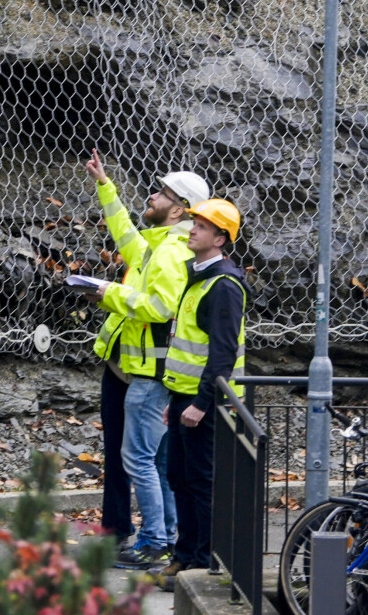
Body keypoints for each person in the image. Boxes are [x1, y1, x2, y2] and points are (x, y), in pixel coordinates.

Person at [84, 149, 211, 569]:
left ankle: (154, 540)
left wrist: (108, 293)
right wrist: (106, 187)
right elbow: (125, 235)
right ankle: (166, 537)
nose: (151, 198)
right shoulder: (159, 246)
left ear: (177, 210)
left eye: (160, 194)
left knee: (140, 459)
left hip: (150, 374)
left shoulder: (172, 253)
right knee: (153, 460)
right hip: (135, 369)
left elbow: (159, 307)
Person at [149, 198, 248, 591]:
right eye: (194, 224)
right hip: (185, 399)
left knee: (203, 483)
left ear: (220, 239)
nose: (192, 230)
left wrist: (201, 404)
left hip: (207, 404)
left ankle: (203, 563)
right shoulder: (200, 277)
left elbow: (222, 355)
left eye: (202, 227)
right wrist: (178, 401)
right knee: (180, 478)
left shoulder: (223, 286)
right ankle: (185, 555)